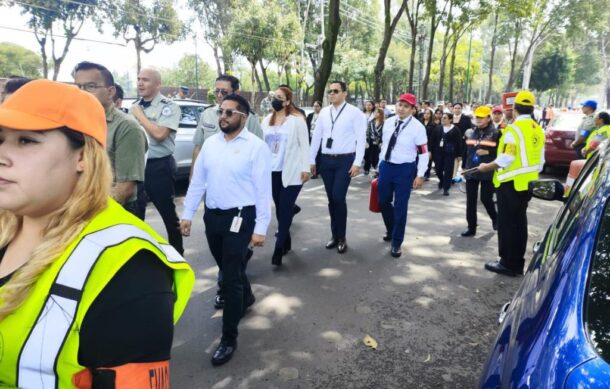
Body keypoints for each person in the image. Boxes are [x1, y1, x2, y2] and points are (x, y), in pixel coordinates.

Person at [0, 79, 194, 388]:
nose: (3, 155)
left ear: (82, 157)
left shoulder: (131, 269)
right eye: (0, 138)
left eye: (26, 141)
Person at [180, 94, 271, 366]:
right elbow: (198, 181)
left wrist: (261, 228)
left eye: (230, 113)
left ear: (244, 117)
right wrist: (187, 214)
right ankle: (248, 294)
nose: (223, 116)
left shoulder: (256, 147)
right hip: (214, 217)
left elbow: (263, 191)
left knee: (229, 277)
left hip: (241, 217)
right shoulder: (210, 144)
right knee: (228, 266)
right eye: (221, 111)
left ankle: (228, 338)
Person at [477, 90, 545, 277]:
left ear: (514, 109)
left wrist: (486, 167)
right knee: (519, 224)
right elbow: (540, 161)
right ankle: (517, 263)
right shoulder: (538, 129)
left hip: (510, 184)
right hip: (527, 184)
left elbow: (506, 157)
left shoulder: (512, 130)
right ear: (532, 109)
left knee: (507, 225)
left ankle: (507, 264)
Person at [73, 61, 148, 217]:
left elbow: (125, 189)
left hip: (113, 212)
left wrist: (85, 213)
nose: (82, 92)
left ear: (111, 91)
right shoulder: (75, 123)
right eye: (78, 87)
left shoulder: (127, 127)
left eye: (91, 86)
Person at [130, 68, 184, 254]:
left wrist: (140, 116)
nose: (140, 83)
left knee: (168, 214)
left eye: (145, 80)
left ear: (157, 84)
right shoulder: (135, 106)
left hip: (158, 166)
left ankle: (177, 253)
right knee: (136, 215)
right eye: (138, 79)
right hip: (136, 166)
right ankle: (137, 255)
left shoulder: (168, 106)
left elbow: (160, 134)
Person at [309, 81, 367, 254]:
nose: (331, 94)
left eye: (335, 91)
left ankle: (342, 237)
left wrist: (357, 163)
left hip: (345, 161)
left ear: (344, 93)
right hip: (326, 161)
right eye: (329, 91)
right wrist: (311, 159)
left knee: (338, 197)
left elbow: (361, 139)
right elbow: (316, 137)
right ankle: (334, 235)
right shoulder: (324, 113)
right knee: (331, 199)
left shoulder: (355, 113)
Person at [261, 87, 310, 266]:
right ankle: (286, 241)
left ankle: (278, 248)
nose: (275, 100)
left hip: (292, 172)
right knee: (281, 209)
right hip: (272, 172)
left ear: (288, 101)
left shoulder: (297, 120)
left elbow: (305, 145)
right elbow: (260, 146)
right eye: (273, 97)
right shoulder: (266, 120)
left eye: (279, 98)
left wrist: (306, 168)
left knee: (285, 207)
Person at [377, 93, 428, 258]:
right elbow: (385, 145)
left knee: (400, 206)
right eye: (399, 104)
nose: (401, 108)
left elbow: (423, 153)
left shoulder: (418, 127)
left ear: (413, 110)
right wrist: (380, 164)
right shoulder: (389, 122)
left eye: (406, 106)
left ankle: (396, 242)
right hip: (386, 166)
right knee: (383, 201)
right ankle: (391, 229)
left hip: (405, 170)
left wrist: (420, 174)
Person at [191, 74, 263, 180]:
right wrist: (193, 176)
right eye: (217, 91)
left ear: (236, 93)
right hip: (209, 178)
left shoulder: (248, 118)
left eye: (224, 92)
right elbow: (198, 148)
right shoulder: (207, 114)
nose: (219, 95)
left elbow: (258, 154)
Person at [461, 106, 500, 236]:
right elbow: (466, 150)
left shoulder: (496, 133)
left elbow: (501, 153)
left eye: (481, 117)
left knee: (485, 198)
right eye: (477, 116)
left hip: (487, 169)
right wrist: (464, 167)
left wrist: (488, 151)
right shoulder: (470, 132)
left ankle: (496, 219)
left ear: (488, 118)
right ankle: (471, 227)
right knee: (470, 200)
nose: (478, 119)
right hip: (471, 169)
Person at [430, 112, 462, 195]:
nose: (442, 119)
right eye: (442, 118)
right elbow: (432, 140)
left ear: (450, 119)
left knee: (448, 171)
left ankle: (446, 188)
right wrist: (430, 151)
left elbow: (459, 142)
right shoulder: (438, 128)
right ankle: (442, 180)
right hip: (438, 153)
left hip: (450, 153)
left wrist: (459, 154)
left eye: (445, 118)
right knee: (438, 169)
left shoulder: (455, 129)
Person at [452, 102, 473, 174]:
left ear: (461, 109)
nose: (457, 110)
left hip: (463, 142)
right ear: (453, 109)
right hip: (452, 142)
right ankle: (453, 175)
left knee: (463, 157)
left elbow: (470, 129)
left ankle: (464, 172)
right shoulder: (449, 117)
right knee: (453, 159)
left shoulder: (466, 118)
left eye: (459, 108)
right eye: (455, 108)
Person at [363, 107, 384, 176]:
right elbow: (368, 132)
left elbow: (384, 134)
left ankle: (377, 170)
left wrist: (382, 142)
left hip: (379, 143)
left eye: (377, 112)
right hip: (370, 142)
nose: (375, 114)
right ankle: (366, 169)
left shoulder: (384, 123)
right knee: (367, 156)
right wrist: (366, 141)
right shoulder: (371, 122)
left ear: (381, 114)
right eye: (374, 112)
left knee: (376, 157)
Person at [306, 101, 322, 178]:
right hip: (311, 137)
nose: (315, 108)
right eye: (314, 106)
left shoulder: (323, 115)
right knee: (312, 154)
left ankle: (318, 171)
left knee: (319, 155)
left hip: (321, 138)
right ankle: (315, 172)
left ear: (320, 107)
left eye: (317, 106)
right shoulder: (310, 116)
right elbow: (307, 126)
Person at [421, 108, 436, 180]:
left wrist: (430, 149)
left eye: (428, 113)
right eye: (425, 113)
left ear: (431, 115)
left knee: (428, 160)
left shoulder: (433, 125)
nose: (426, 115)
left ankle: (427, 174)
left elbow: (433, 138)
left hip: (429, 144)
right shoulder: (420, 123)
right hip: (420, 144)